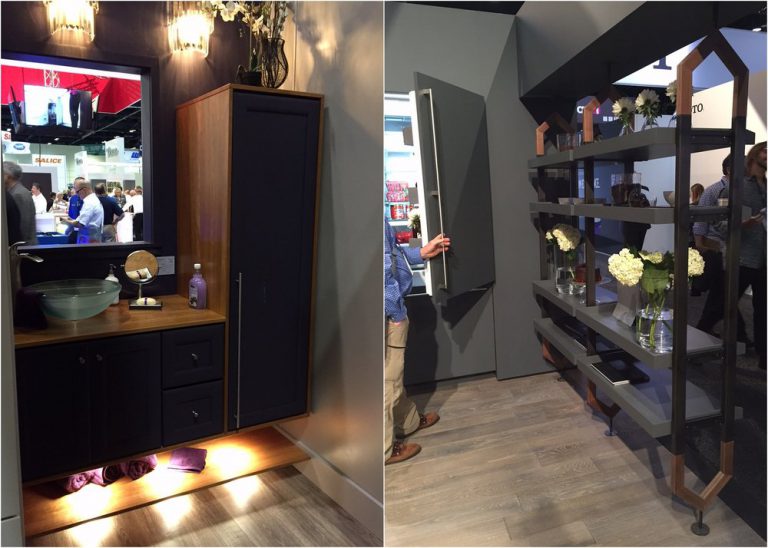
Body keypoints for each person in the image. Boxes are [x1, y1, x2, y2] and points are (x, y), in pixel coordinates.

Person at [385, 219, 451, 464]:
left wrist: (420, 253)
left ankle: (408, 422)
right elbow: (381, 271)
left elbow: (392, 253)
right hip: (387, 314)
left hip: (387, 311)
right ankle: (384, 449)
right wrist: (395, 313)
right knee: (388, 382)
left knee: (393, 376)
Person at [694, 154, 749, 342]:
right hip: (717, 249)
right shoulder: (715, 191)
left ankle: (730, 332)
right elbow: (701, 219)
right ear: (729, 169)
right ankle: (735, 334)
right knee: (724, 292)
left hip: (732, 249)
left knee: (723, 292)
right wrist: (700, 245)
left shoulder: (740, 191)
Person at [737, 142, 766, 369]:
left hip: (764, 259)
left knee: (763, 309)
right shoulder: (739, 186)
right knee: (723, 304)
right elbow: (722, 222)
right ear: (755, 155)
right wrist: (743, 224)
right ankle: (702, 343)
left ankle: (764, 356)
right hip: (743, 257)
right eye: (766, 151)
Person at [3, 161, 37, 245]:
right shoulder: (16, 192)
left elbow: (22, 225)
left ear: (8, 176)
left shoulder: (18, 194)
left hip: (23, 247)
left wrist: (16, 247)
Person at [63, 179, 103, 244]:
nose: (77, 195)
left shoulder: (89, 203)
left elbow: (81, 224)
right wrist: (72, 220)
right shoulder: (92, 200)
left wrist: (66, 221)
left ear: (84, 190)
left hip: (88, 239)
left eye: (77, 192)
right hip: (91, 236)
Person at [67, 178, 85, 244]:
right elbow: (70, 213)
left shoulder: (87, 200)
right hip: (72, 228)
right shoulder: (73, 198)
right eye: (75, 185)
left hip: (83, 229)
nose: (75, 187)